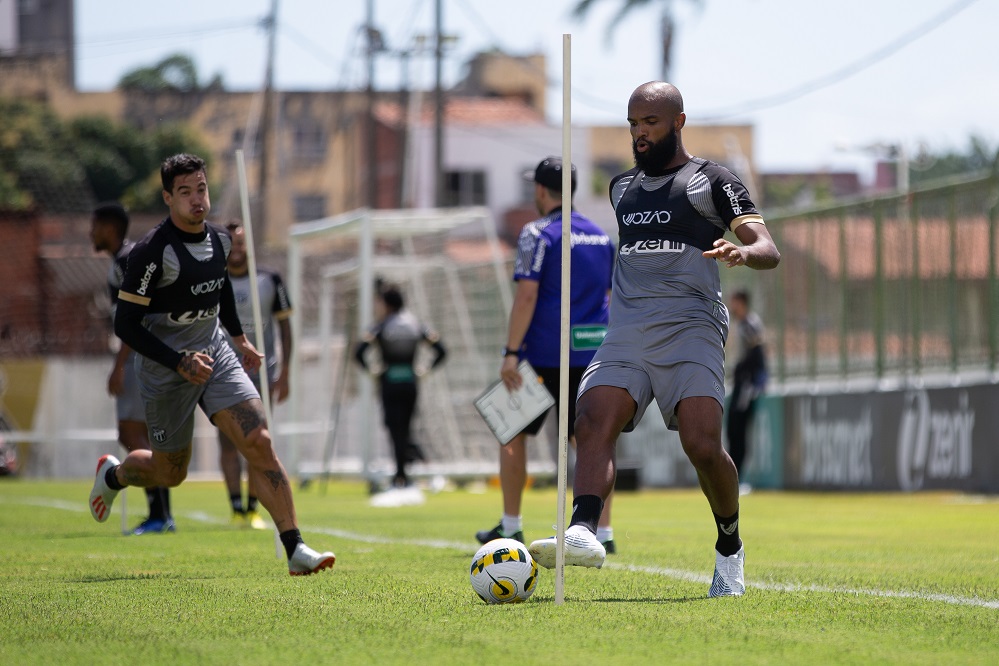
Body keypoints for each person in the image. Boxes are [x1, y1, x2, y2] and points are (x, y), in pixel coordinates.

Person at [528, 82, 780, 598]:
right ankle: (583, 529)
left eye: (650, 123)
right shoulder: (621, 188)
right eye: (633, 124)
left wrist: (741, 252)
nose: (639, 133)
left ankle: (729, 546)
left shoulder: (713, 180)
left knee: (702, 444)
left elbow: (768, 248)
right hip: (628, 328)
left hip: (691, 326)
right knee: (592, 416)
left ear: (678, 122)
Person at [88, 153, 335, 576]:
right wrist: (178, 361)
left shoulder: (221, 240)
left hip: (215, 353)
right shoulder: (150, 253)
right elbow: (125, 324)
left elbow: (219, 290)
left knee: (258, 440)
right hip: (166, 369)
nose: (196, 199)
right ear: (168, 198)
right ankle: (114, 476)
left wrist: (239, 339)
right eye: (185, 192)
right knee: (170, 473)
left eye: (201, 189)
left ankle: (295, 548)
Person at [475, 157, 617, 551]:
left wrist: (510, 352)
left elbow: (526, 295)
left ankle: (510, 525)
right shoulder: (601, 236)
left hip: (541, 354)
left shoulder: (536, 233)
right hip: (590, 354)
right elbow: (608, 297)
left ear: (540, 190)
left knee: (511, 432)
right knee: (594, 442)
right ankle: (602, 532)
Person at [89, 202, 175, 535]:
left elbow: (134, 318)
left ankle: (159, 513)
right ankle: (161, 513)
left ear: (109, 228)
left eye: (95, 226)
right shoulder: (126, 259)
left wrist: (120, 364)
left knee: (130, 433)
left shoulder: (126, 261)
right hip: (151, 355)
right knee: (144, 435)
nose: (90, 233)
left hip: (141, 356)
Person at [217, 220, 293, 529]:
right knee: (227, 442)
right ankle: (236, 507)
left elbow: (286, 327)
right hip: (223, 372)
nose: (237, 249)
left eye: (241, 242)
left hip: (263, 371)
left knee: (258, 441)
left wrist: (285, 373)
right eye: (231, 243)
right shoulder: (213, 281)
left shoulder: (270, 279)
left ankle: (252, 508)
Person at [354, 283, 446, 489]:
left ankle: (400, 476)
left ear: (386, 304)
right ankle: (404, 473)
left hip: (389, 385)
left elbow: (359, 352)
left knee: (394, 428)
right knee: (405, 428)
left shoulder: (381, 326)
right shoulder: (416, 325)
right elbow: (441, 350)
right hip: (410, 384)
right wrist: (425, 370)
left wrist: (373, 371)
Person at [726, 289, 768, 495]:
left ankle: (738, 479)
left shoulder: (750, 324)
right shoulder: (741, 324)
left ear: (741, 303)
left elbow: (758, 353)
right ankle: (733, 477)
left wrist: (755, 378)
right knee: (732, 429)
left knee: (738, 429)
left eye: (734, 302)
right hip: (740, 383)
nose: (732, 307)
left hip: (746, 385)